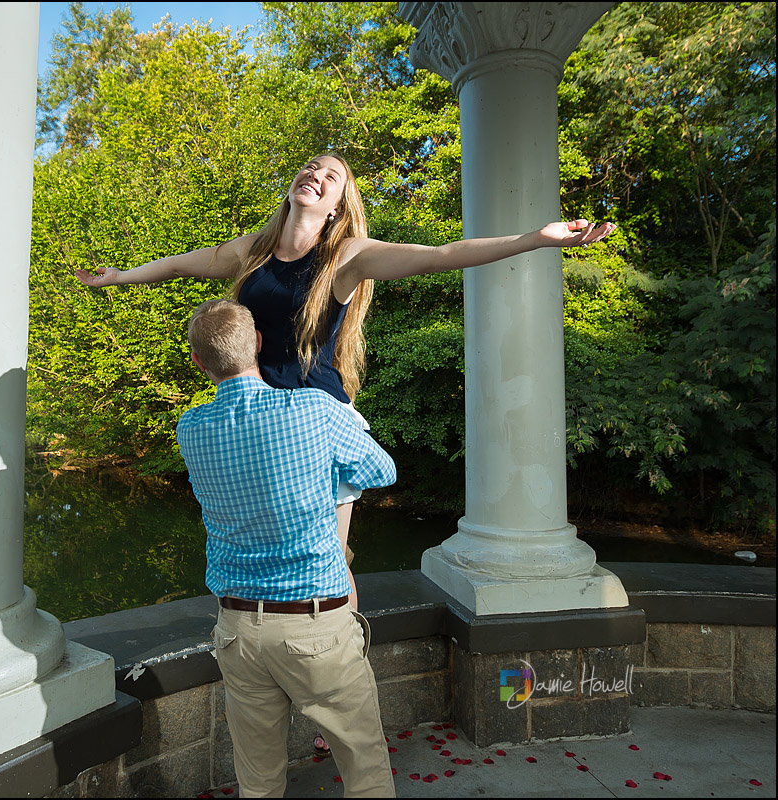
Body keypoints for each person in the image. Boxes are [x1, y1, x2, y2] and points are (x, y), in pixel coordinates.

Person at [76, 151, 617, 756]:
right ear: (293, 184)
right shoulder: (253, 249)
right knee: (255, 549)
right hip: (257, 424)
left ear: (339, 204)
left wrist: (532, 239)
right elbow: (183, 264)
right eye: (311, 167)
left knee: (331, 558)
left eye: (333, 177)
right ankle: (275, 681)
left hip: (317, 426)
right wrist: (123, 278)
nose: (317, 176)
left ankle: (340, 696)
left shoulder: (347, 255)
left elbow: (441, 257)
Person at [177, 298, 398, 798]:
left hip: (237, 632)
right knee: (364, 770)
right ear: (258, 343)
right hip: (316, 628)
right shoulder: (314, 411)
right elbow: (382, 471)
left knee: (257, 781)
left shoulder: (191, 429)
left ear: (199, 362)